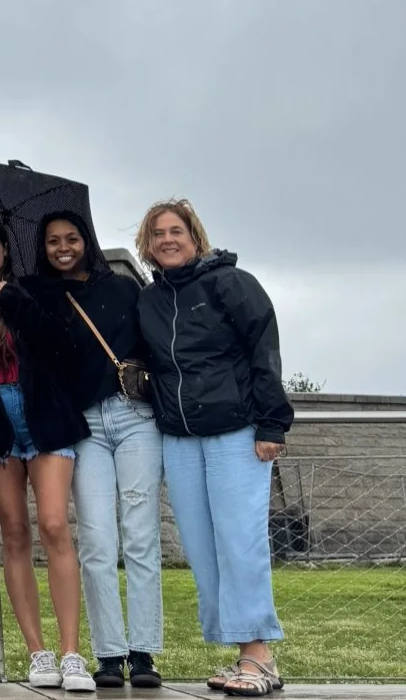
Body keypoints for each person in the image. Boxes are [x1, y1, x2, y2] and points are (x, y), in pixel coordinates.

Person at [135, 200, 292, 698]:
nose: (167, 239)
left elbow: (264, 349)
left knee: (239, 544)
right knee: (204, 551)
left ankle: (259, 657)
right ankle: (241, 652)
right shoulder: (150, 301)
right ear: (148, 245)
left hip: (235, 433)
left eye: (175, 230)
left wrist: (272, 424)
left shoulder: (231, 283)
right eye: (157, 233)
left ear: (195, 237)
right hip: (179, 439)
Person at [0, 214, 95, 693]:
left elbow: (61, 346)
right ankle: (37, 652)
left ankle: (72, 652)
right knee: (14, 533)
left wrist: (14, 301)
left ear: (4, 249)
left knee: (55, 525)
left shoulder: (33, 291)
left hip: (43, 416)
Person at [38, 212, 164, 688]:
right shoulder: (46, 298)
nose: (63, 247)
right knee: (95, 538)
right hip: (84, 425)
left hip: (133, 417)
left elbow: (153, 349)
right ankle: (109, 654)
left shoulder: (125, 290)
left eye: (71, 238)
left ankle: (144, 652)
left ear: (86, 242)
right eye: (53, 241)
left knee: (139, 535)